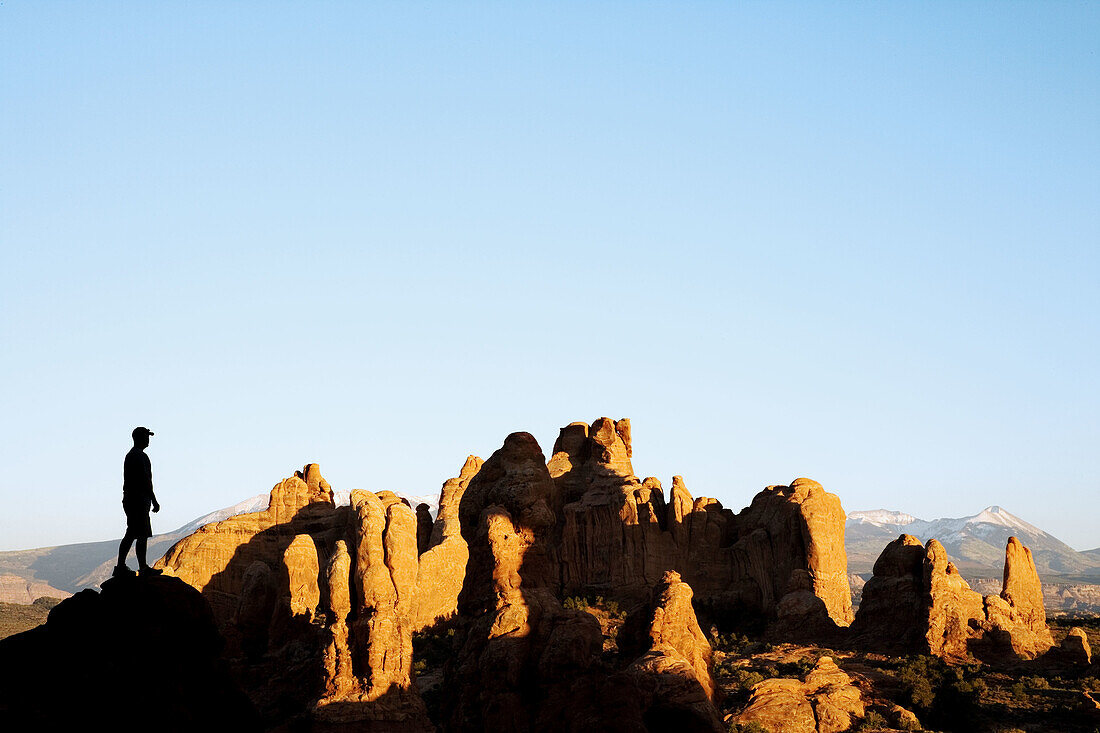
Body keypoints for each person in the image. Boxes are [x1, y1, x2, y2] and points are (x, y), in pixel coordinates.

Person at [114, 426, 163, 578]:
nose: (148, 440)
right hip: (138, 500)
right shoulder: (140, 456)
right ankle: (142, 568)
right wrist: (154, 500)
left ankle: (121, 566)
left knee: (132, 533)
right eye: (146, 437)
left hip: (131, 499)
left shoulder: (131, 455)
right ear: (140, 438)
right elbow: (146, 481)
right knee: (140, 534)